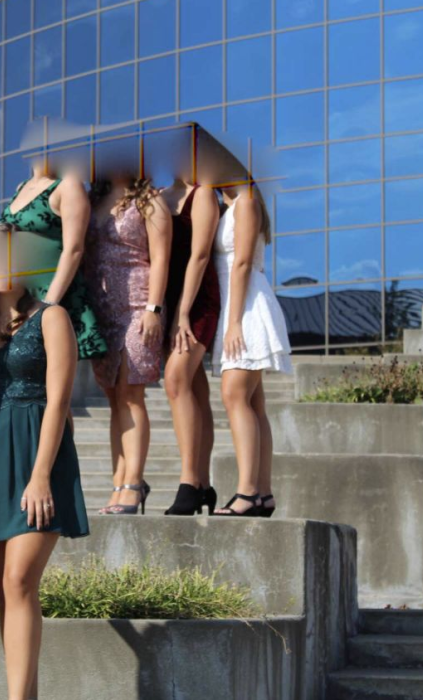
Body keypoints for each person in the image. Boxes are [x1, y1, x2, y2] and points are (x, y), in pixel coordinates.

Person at [0, 224, 89, 699]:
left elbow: (59, 402)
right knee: (5, 591)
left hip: (37, 455)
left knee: (19, 580)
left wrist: (40, 476)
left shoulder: (51, 317)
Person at [84, 176, 172, 515]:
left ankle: (133, 483)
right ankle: (118, 482)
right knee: (113, 398)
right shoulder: (93, 201)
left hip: (138, 305)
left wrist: (154, 309)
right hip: (102, 309)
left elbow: (161, 258)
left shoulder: (151, 201)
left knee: (131, 393)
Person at [212, 185, 292, 517]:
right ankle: (263, 493)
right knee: (253, 403)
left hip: (245, 308)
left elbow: (242, 263)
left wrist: (233, 323)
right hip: (237, 307)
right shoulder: (229, 204)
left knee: (234, 395)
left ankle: (247, 492)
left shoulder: (245, 202)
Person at [0, 162, 108, 360]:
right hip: (19, 293)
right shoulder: (21, 187)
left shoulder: (68, 185)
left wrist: (48, 305)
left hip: (50, 292)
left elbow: (74, 249)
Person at [160, 177, 222, 516]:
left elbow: (200, 255)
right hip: (170, 300)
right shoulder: (159, 195)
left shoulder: (204, 193)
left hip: (197, 301)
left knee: (176, 379)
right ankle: (203, 484)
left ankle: (188, 482)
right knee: (196, 388)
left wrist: (182, 312)